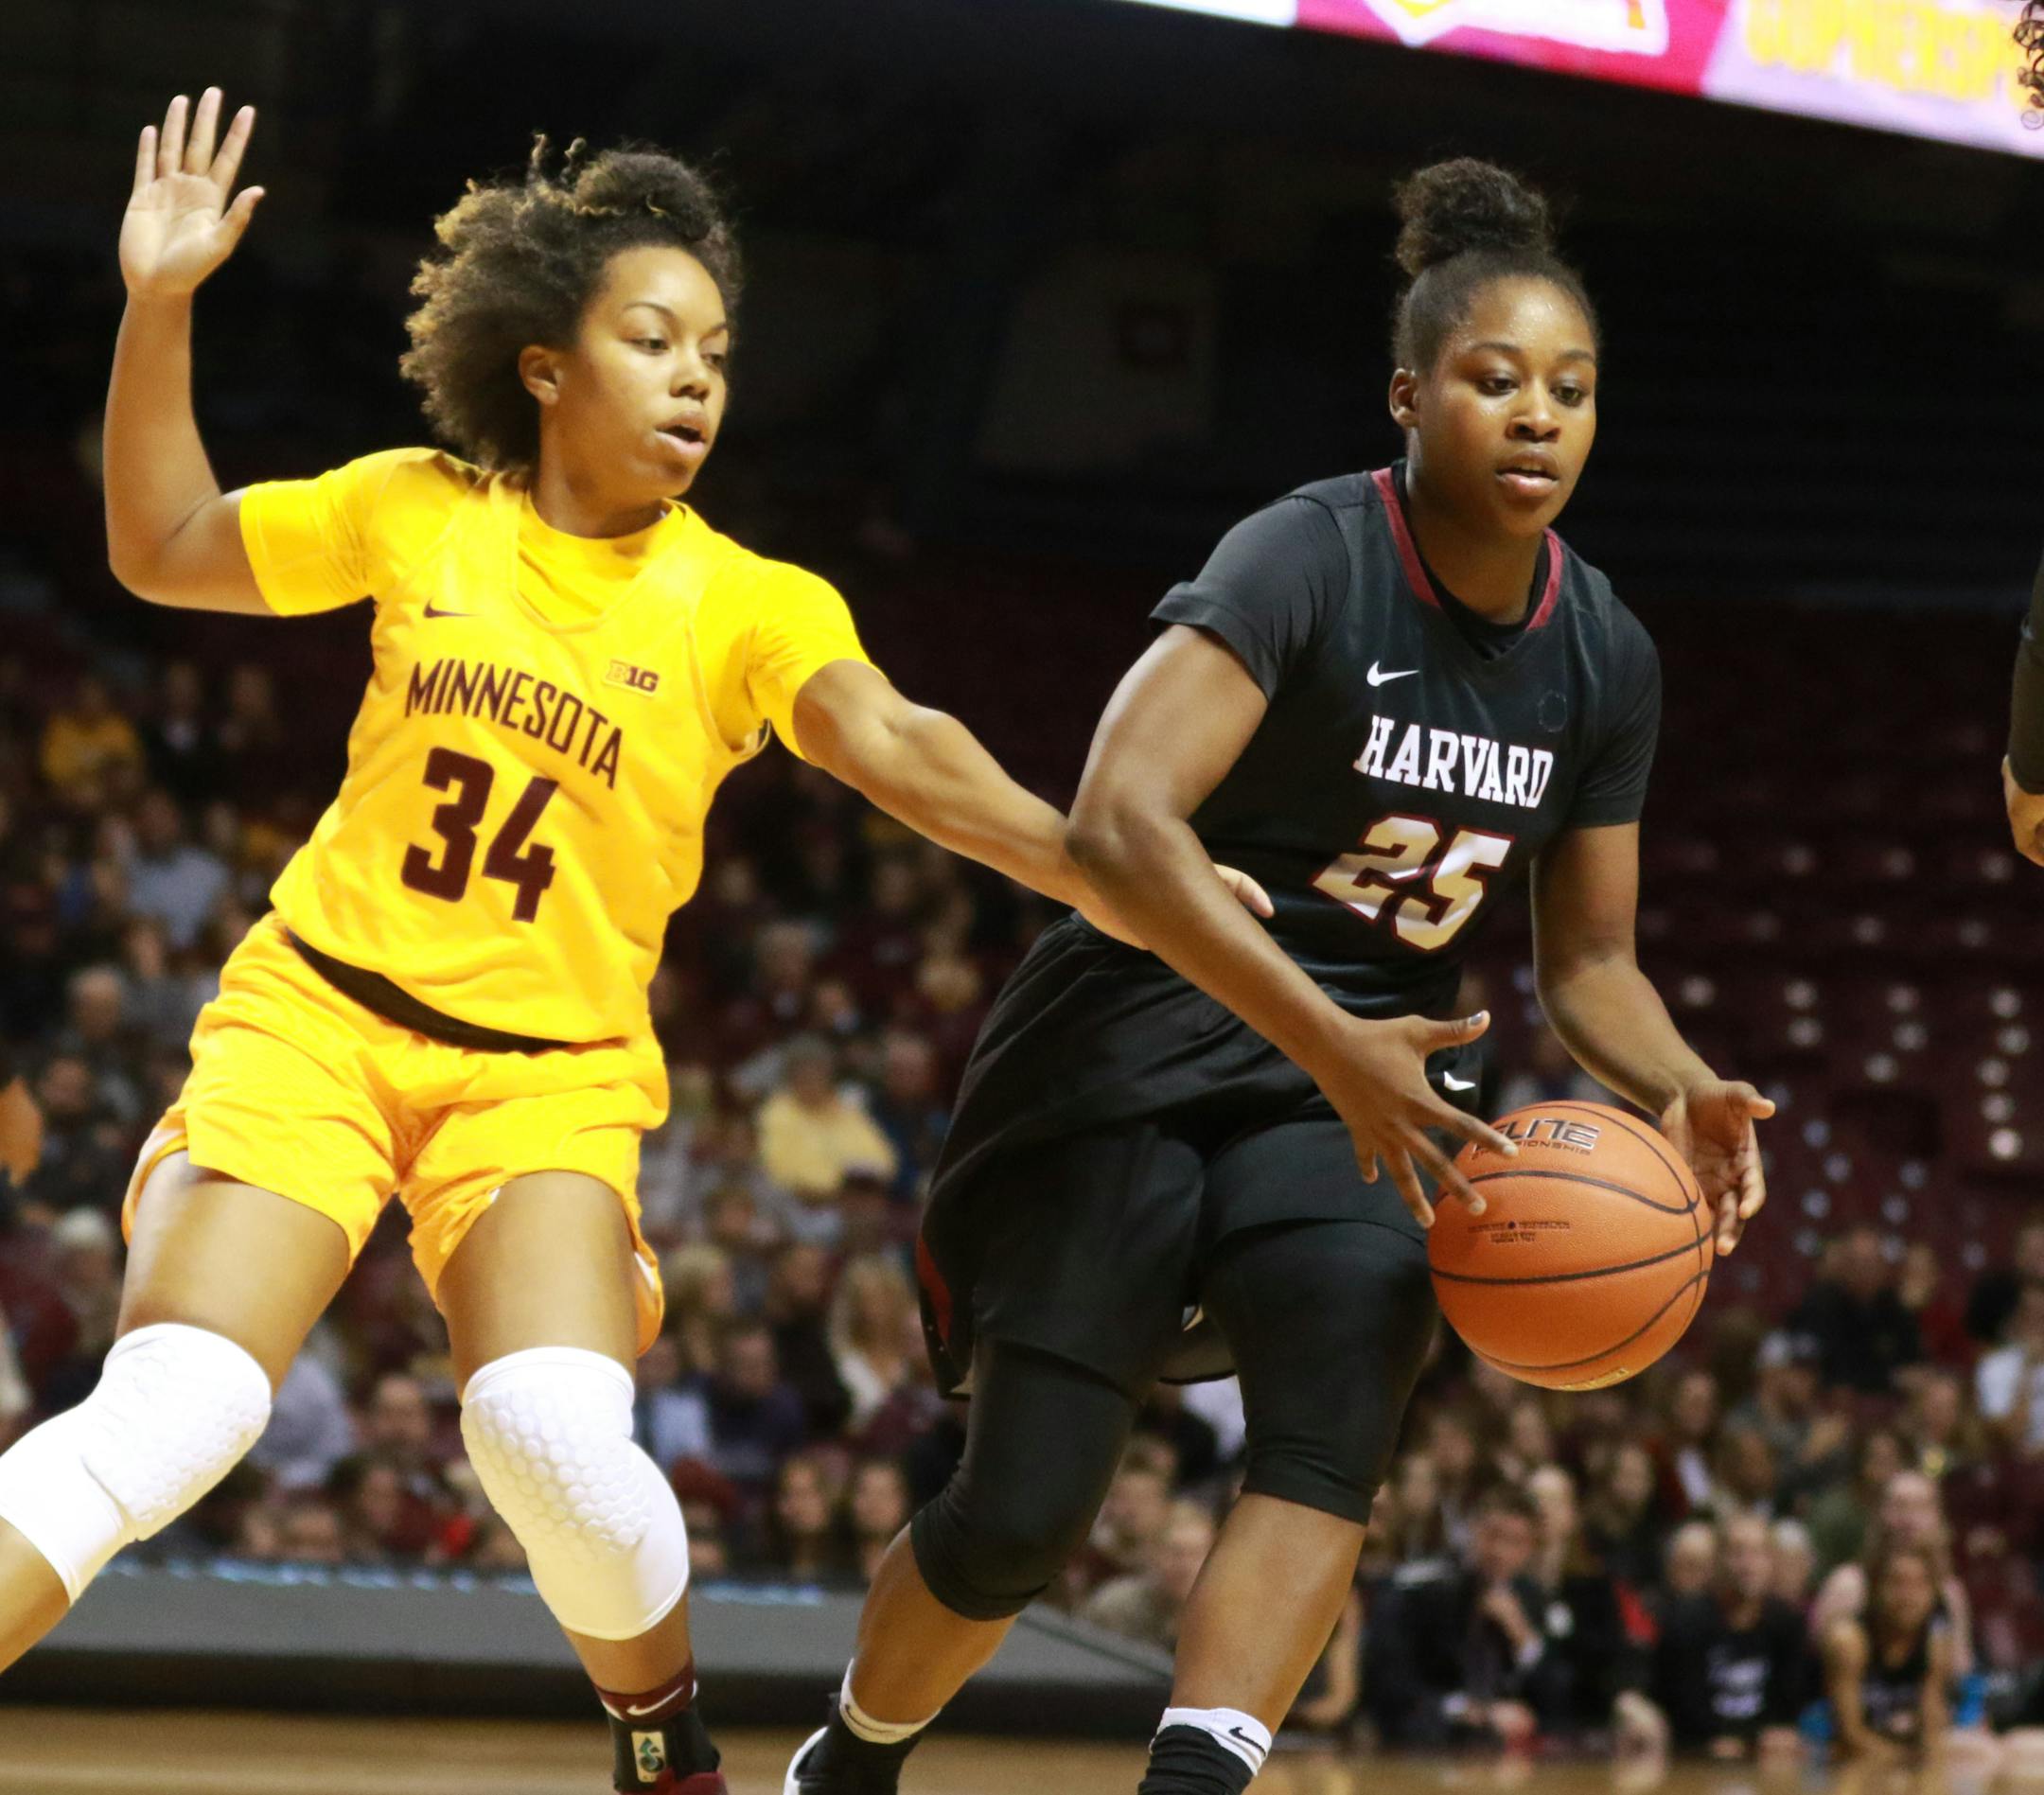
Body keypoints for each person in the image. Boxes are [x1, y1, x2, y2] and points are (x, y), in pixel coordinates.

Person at [0, 90, 1263, 1795]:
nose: (695, 381)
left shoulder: (749, 600)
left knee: (546, 1434)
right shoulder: (420, 509)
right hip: (313, 1027)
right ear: (543, 361)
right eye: (652, 340)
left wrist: (1118, 876)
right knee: (174, 1414)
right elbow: (154, 549)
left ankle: (661, 1737)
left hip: (551, 1085)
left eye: (719, 357)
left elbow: (903, 751)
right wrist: (161, 305)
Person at [788, 158, 1773, 1795]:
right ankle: (853, 1759)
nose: (1537, 415)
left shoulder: (1607, 652)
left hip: (1367, 1084)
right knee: (1021, 1511)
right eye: (1494, 377)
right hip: (1145, 1025)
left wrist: (1674, 1080)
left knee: (1334, 1407)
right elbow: (1118, 821)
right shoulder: (1308, 554)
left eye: (1573, 390)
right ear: (1410, 393)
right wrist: (1332, 1042)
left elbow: (1590, 957)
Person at [1647, 1514, 1810, 1762]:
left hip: (1766, 1757)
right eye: (1737, 1553)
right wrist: (1726, 1740)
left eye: (1759, 1553)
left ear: (1772, 1562)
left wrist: (1775, 1735)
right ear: (1717, 1562)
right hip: (1692, 1760)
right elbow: (1684, 1710)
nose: (1748, 1565)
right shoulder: (1686, 1620)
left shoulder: (1787, 1622)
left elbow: (1787, 1706)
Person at [1819, 1540, 1950, 1760]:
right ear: (1875, 1587)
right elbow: (1849, 1738)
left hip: (1899, 1754)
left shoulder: (1936, 1643)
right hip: (1834, 1756)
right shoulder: (1849, 1641)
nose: (1908, 1596)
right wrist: (1905, 1759)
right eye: (1897, 1583)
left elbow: (1932, 1731)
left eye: (1920, 1584)